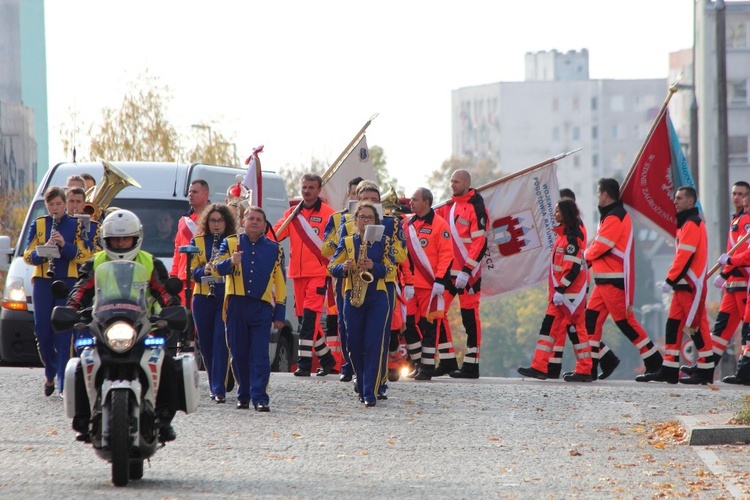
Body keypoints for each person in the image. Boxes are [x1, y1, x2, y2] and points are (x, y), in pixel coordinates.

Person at [66, 209, 183, 442]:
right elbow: (81, 290)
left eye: (125, 238)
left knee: (167, 362)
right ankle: (82, 417)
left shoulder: (150, 262)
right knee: (83, 363)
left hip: (142, 327)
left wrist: (171, 311)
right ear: (106, 240)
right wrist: (71, 310)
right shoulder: (96, 263)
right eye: (115, 239)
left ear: (135, 238)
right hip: (104, 326)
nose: (120, 244)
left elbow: (164, 292)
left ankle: (165, 416)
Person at [584, 178, 663, 379]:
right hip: (603, 280)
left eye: (597, 193)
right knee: (590, 321)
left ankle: (654, 362)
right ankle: (591, 366)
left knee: (626, 322)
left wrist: (586, 254)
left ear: (604, 194)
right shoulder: (610, 216)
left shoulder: (615, 217)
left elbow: (601, 245)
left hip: (612, 280)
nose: (596, 197)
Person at [637, 187, 714, 384]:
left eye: (679, 198)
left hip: (689, 285)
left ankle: (705, 370)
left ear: (690, 201)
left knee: (695, 326)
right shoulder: (687, 223)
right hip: (683, 284)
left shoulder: (692, 224)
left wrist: (670, 278)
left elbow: (684, 256)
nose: (675, 201)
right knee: (673, 326)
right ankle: (669, 369)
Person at [214, 206, 286, 412]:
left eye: (258, 219)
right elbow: (215, 269)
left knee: (260, 354)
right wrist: (230, 261)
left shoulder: (274, 248)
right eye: (250, 218)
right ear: (243, 222)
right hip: (236, 305)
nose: (254, 222)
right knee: (238, 352)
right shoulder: (230, 243)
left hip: (261, 307)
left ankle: (260, 397)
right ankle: (243, 393)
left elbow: (280, 282)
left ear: (264, 225)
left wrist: (279, 311)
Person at [23, 187, 90, 397]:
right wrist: (42, 252)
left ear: (65, 204)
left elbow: (84, 254)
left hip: (67, 280)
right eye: (51, 205)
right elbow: (27, 254)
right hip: (43, 282)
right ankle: (50, 371)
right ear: (46, 205)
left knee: (63, 332)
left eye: (59, 204)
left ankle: (62, 382)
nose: (55, 208)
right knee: (42, 331)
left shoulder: (76, 224)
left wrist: (64, 245)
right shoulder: (39, 224)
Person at [518, 199, 594, 382]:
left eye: (558, 212)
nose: (554, 214)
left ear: (566, 214)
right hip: (561, 295)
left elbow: (573, 268)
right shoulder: (564, 236)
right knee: (548, 328)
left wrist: (561, 289)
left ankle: (584, 370)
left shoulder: (571, 238)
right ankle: (539, 367)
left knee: (578, 331)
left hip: (569, 295)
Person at [328, 202, 393, 406]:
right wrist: (343, 267)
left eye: (370, 218)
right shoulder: (348, 241)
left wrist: (374, 266)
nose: (366, 221)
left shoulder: (384, 241)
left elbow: (392, 270)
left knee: (373, 344)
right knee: (354, 344)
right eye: (362, 217)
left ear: (376, 221)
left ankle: (369, 392)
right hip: (352, 296)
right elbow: (331, 266)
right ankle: (362, 381)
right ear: (355, 220)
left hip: (377, 298)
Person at [682, 181, 750, 376]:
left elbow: (743, 253)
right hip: (733, 284)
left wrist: (725, 272)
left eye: (741, 194)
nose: (737, 198)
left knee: (746, 330)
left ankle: (743, 372)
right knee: (720, 331)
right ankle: (704, 368)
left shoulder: (745, 220)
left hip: (742, 282)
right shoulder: (737, 219)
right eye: (735, 193)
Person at [551, 188, 619, 380]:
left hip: (574, 283)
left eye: (561, 208)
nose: (557, 213)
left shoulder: (575, 230)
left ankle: (595, 363)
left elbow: (573, 260)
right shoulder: (569, 228)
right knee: (572, 326)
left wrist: (562, 285)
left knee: (576, 327)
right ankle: (599, 361)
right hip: (569, 282)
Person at [274, 173, 337, 376]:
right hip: (297, 274)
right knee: (304, 321)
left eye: (311, 188)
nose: (307, 191)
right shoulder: (292, 214)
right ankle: (327, 360)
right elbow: (275, 235)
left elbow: (335, 244)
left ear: (319, 190)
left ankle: (304, 364)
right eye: (304, 188)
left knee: (309, 319)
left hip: (318, 273)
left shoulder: (329, 214)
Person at [435, 169, 488, 379]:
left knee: (469, 319)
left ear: (467, 182)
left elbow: (480, 242)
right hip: (449, 272)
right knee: (437, 312)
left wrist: (467, 269)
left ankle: (471, 364)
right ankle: (447, 359)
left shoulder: (476, 207)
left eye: (456, 182)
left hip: (468, 274)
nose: (452, 185)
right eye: (451, 182)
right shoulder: (449, 207)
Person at [403, 188, 453, 380]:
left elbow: (446, 255)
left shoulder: (440, 225)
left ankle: (427, 368)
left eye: (415, 200)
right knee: (407, 326)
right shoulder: (407, 225)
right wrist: (406, 281)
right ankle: (418, 362)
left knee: (429, 328)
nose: (411, 203)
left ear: (426, 202)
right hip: (411, 287)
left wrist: (440, 279)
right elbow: (404, 257)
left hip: (430, 287)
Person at [190, 204, 237, 403]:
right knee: (206, 344)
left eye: (219, 220)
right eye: (212, 220)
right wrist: (204, 272)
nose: (215, 224)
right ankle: (214, 381)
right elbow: (192, 271)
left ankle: (218, 388)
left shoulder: (233, 242)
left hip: (223, 297)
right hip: (202, 298)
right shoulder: (197, 241)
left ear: (226, 223)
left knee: (220, 340)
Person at [321, 176, 367, 382]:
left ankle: (367, 366)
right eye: (354, 193)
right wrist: (340, 233)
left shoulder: (375, 217)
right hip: (345, 278)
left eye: (362, 194)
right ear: (349, 195)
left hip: (369, 277)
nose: (357, 197)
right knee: (345, 322)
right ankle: (349, 366)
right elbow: (325, 250)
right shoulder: (337, 218)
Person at [171, 179, 210, 304]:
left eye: (195, 192)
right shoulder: (184, 220)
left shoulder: (214, 219)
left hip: (205, 276)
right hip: (184, 277)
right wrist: (173, 274)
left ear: (205, 194)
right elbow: (178, 249)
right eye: (190, 192)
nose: (190, 195)